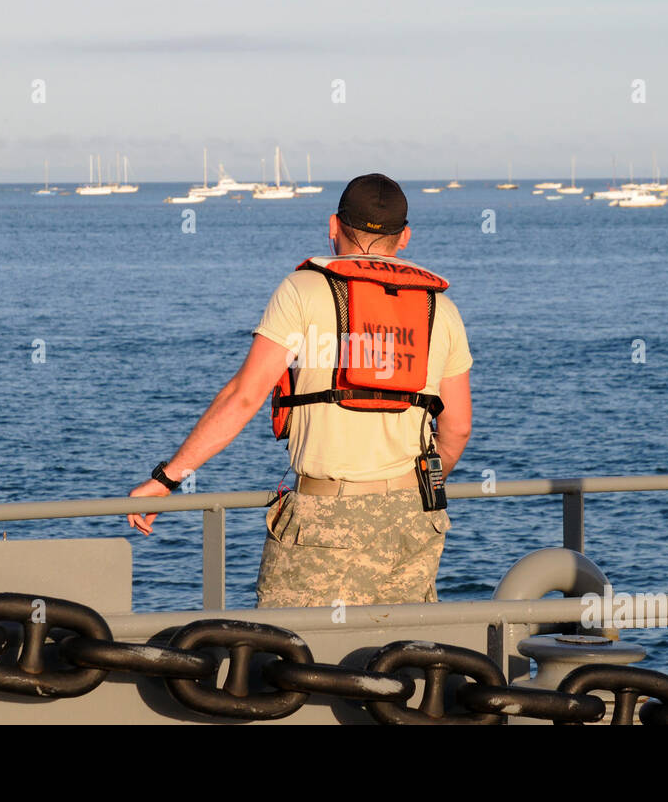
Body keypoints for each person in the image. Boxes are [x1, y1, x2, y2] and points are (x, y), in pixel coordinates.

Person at [126, 174, 472, 608]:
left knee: (290, 655)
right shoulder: (441, 308)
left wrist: (166, 479)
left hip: (324, 519)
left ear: (333, 226)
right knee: (399, 655)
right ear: (404, 237)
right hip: (415, 515)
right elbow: (456, 429)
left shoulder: (303, 291)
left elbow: (245, 396)